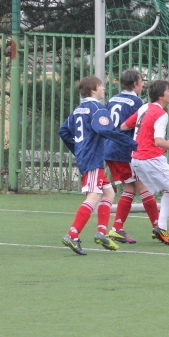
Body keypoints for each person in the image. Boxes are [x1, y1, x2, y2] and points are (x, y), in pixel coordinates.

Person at [58, 76, 134, 255]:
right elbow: (104, 130)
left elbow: (63, 131)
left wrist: (78, 147)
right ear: (93, 90)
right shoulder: (98, 108)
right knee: (94, 196)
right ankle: (72, 234)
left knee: (109, 192)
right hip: (92, 158)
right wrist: (130, 143)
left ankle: (101, 232)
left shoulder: (78, 109)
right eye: (101, 86)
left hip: (89, 157)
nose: (103, 89)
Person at [121, 80, 169, 246]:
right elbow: (158, 142)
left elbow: (125, 126)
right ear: (161, 95)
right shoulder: (161, 114)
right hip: (150, 158)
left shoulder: (144, 107)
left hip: (136, 158)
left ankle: (161, 228)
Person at [102, 69, 160, 245]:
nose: (143, 84)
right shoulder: (136, 102)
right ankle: (158, 228)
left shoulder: (113, 99)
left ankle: (119, 229)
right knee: (142, 188)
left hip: (109, 149)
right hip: (124, 150)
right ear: (135, 83)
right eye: (141, 80)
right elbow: (138, 126)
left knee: (131, 188)